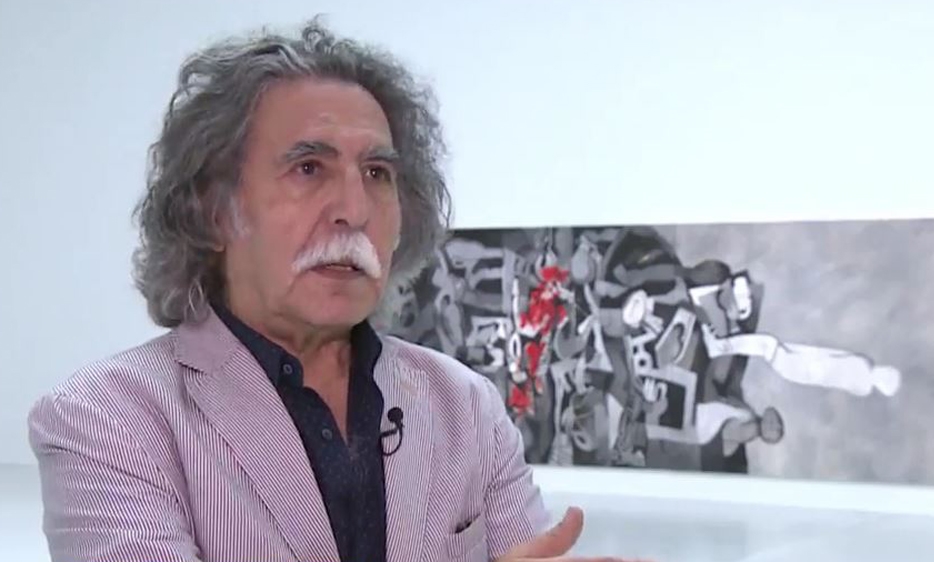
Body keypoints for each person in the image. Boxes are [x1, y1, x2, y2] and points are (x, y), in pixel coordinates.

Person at [26, 17, 646, 562]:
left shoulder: (466, 407)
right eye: (308, 168)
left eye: (377, 173)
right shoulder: (107, 420)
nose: (354, 208)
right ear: (213, 211)